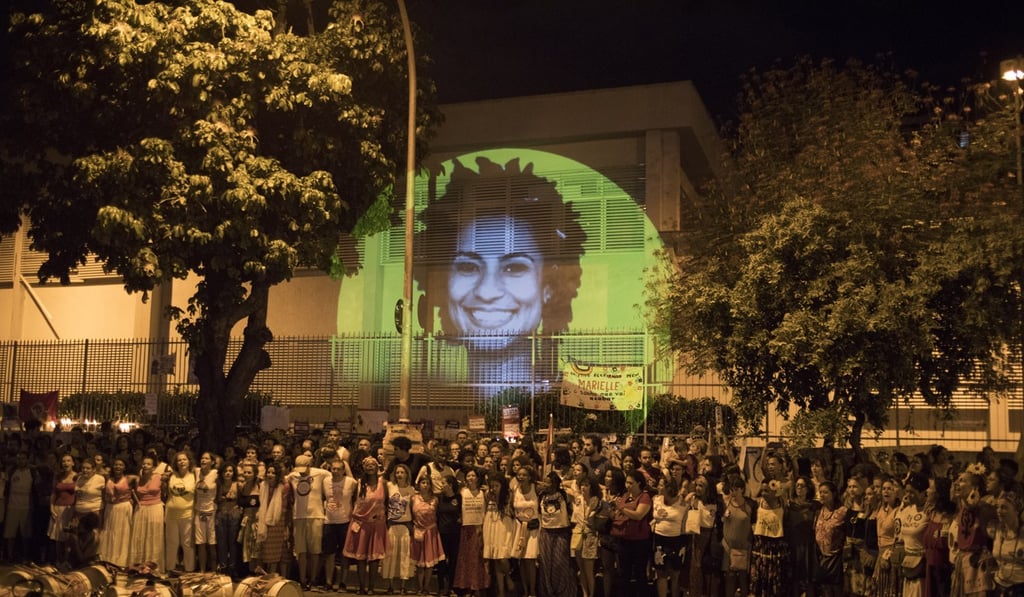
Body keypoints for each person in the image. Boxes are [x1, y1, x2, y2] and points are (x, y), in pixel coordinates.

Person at [414, 156, 587, 397]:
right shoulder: (433, 397)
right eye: (468, 267)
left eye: (514, 268)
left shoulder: (560, 401)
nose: (487, 292)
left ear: (547, 286)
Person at [285, 453, 334, 591]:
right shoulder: (293, 476)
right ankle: (302, 579)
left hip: (316, 515)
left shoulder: (320, 473)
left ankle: (313, 579)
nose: (301, 472)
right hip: (298, 516)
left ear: (309, 465)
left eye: (304, 468)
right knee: (301, 551)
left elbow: (335, 477)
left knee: (315, 550)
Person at [344, 456, 389, 595]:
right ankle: (362, 586)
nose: (370, 467)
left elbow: (387, 503)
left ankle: (371, 587)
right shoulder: (359, 484)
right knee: (361, 557)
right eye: (367, 465)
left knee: (374, 558)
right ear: (364, 468)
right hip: (361, 524)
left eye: (373, 465)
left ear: (377, 467)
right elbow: (353, 502)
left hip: (377, 524)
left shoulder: (384, 483)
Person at [454, 468, 489, 597]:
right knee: (466, 559)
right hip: (465, 528)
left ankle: (478, 585)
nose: (471, 478)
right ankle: (466, 585)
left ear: (478, 478)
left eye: (473, 475)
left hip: (479, 527)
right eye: (468, 475)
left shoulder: (483, 493)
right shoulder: (462, 492)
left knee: (478, 559)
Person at [381, 463, 415, 595]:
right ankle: (390, 585)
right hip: (392, 525)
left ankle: (403, 585)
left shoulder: (411, 490)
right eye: (398, 472)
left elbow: (413, 508)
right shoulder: (390, 486)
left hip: (405, 525)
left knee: (404, 556)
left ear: (407, 474)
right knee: (390, 556)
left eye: (402, 472)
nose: (399, 475)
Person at [130, 455, 166, 573]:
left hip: (155, 508)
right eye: (144, 463)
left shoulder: (159, 477)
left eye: (148, 464)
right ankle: (139, 567)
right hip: (141, 509)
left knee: (153, 536)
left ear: (154, 467)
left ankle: (153, 566)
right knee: (140, 537)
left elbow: (165, 493)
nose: (145, 466)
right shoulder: (137, 479)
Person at [98, 457, 133, 567]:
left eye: (120, 465)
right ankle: (108, 558)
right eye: (116, 464)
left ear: (125, 467)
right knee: (110, 532)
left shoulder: (129, 479)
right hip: (110, 508)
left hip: (123, 508)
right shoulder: (108, 478)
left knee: (122, 533)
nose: (118, 467)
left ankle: (121, 560)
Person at [165, 451, 196, 572]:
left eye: (184, 459)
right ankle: (170, 569)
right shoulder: (171, 476)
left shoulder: (194, 476)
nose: (182, 462)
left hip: (187, 514)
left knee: (187, 544)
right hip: (171, 515)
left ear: (189, 462)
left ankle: (189, 570)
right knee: (172, 544)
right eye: (179, 460)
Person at [194, 451, 219, 573]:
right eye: (202, 458)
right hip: (199, 512)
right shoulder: (196, 472)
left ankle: (214, 572)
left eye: (206, 458)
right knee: (200, 543)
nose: (203, 460)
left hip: (212, 512)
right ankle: (202, 571)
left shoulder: (215, 473)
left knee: (212, 543)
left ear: (213, 462)